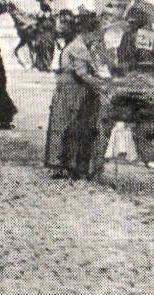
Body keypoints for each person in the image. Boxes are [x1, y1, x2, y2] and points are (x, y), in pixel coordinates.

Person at [44, 11, 109, 179]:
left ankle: (67, 165)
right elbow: (84, 75)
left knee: (69, 127)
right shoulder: (78, 47)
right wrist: (103, 85)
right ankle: (62, 166)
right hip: (71, 92)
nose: (99, 36)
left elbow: (90, 71)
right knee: (67, 127)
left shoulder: (81, 45)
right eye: (97, 32)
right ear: (89, 32)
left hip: (72, 91)